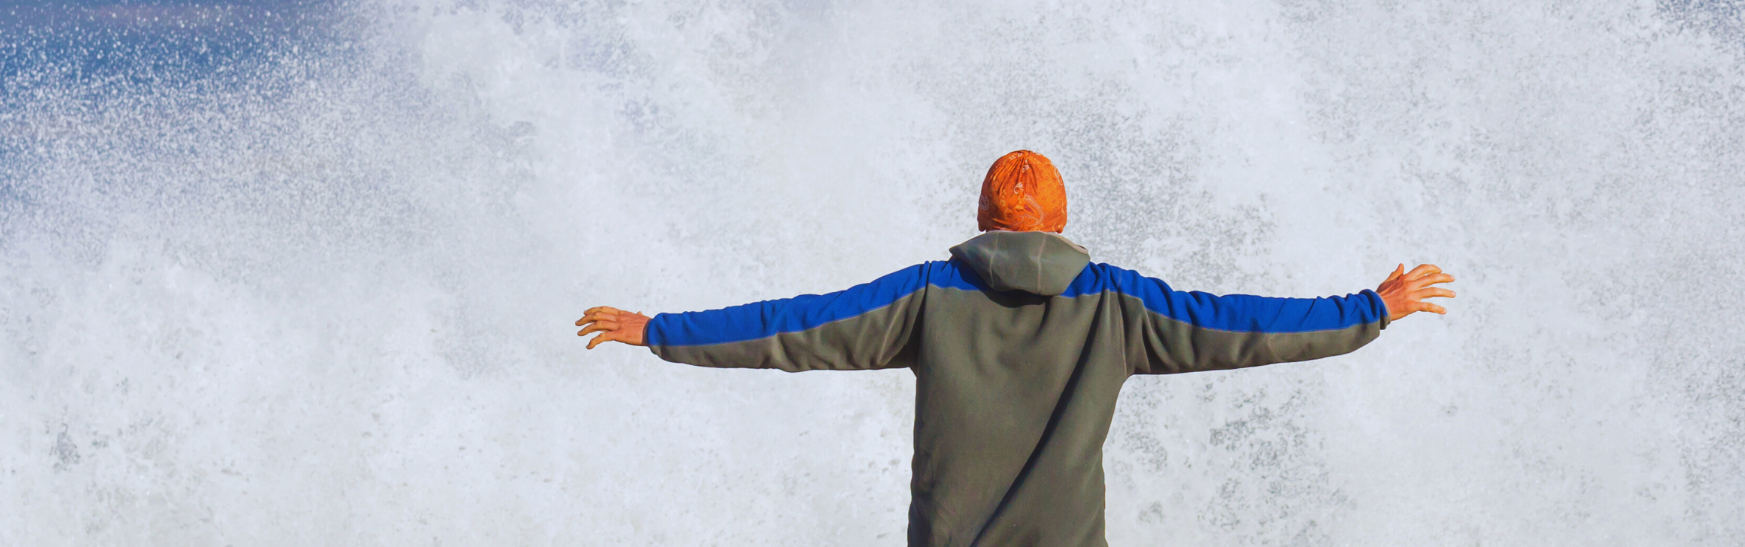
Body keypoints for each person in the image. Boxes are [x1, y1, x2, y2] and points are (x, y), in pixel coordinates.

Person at [576, 149, 1454, 547]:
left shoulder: (925, 295)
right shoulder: (1116, 302)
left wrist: (660, 330)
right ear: (1062, 222)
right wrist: (1369, 308)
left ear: (981, 219)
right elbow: (1247, 325)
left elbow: (791, 328)